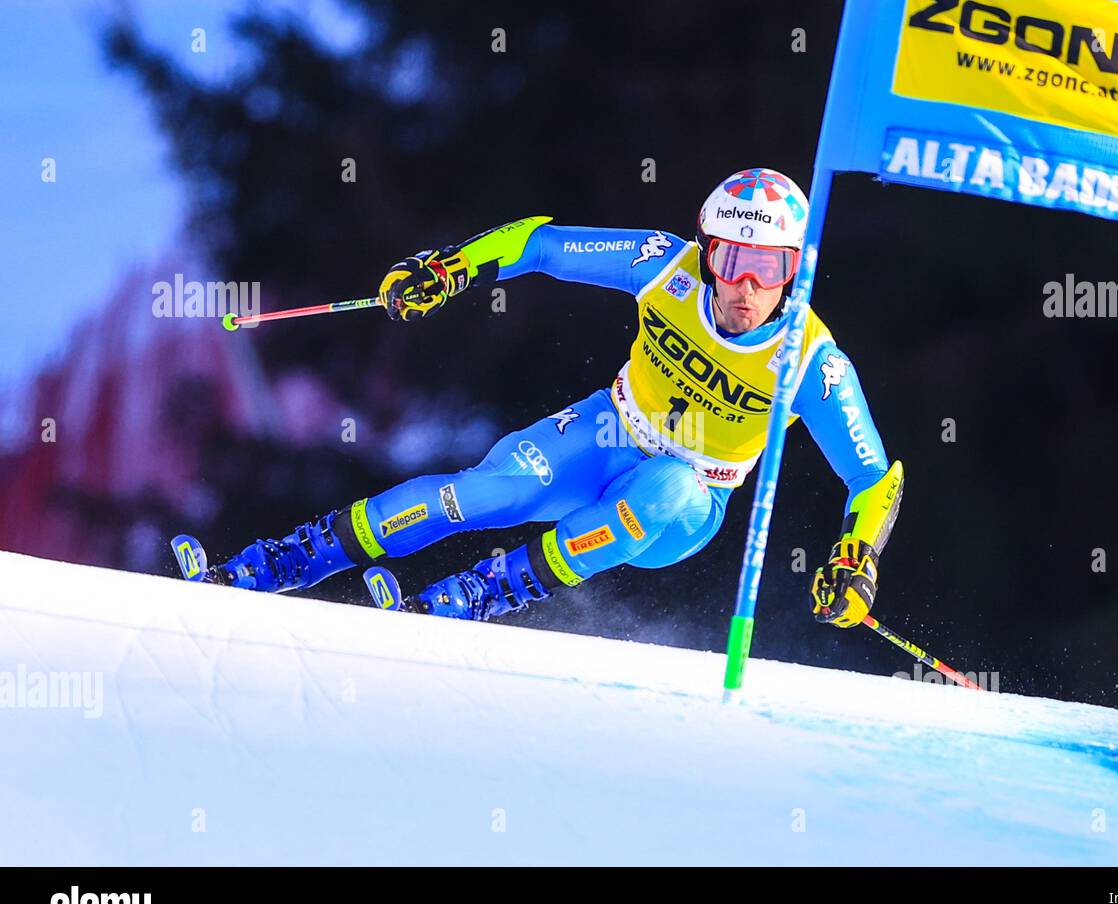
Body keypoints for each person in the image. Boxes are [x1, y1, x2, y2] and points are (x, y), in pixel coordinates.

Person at [175, 168, 903, 629]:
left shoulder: (812, 361)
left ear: (793, 267)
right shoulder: (663, 266)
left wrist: (855, 560)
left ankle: (479, 593)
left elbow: (875, 478)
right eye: (730, 258)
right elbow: (539, 244)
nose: (744, 285)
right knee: (476, 494)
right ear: (707, 251)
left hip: (685, 504)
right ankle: (272, 566)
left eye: (767, 266)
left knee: (666, 486)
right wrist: (455, 268)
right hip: (607, 430)